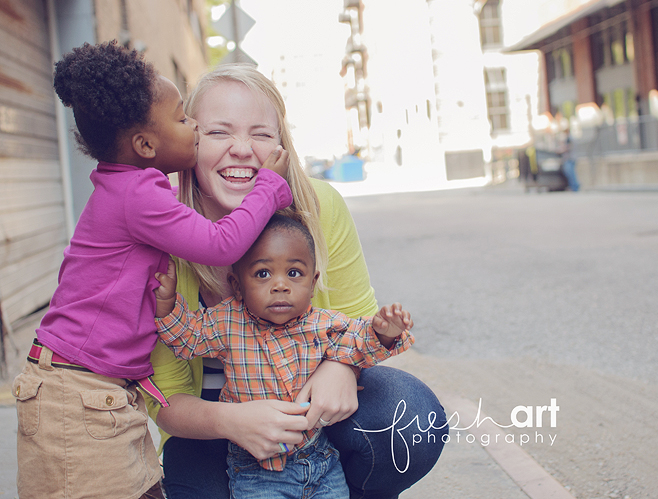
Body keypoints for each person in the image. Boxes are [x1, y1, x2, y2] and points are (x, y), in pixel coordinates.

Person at [146, 63, 448, 499]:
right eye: (218, 132)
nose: (243, 149)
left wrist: (340, 366)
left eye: (261, 134)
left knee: (412, 417)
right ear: (191, 141)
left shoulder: (321, 205)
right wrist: (234, 421)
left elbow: (358, 321)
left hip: (315, 428)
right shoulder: (162, 230)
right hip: (213, 428)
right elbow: (165, 396)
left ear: (282, 144)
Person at [12, 42, 292, 499]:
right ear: (146, 145)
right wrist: (267, 189)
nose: (195, 126)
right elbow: (221, 245)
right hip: (77, 391)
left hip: (96, 387)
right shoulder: (138, 196)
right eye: (183, 119)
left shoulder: (131, 187)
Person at [154, 215, 415, 498]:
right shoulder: (227, 322)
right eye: (263, 274)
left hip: (321, 460)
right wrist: (166, 305)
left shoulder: (323, 324)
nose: (280, 285)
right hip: (257, 469)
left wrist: (385, 332)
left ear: (312, 283)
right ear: (238, 285)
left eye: (294, 273)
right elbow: (187, 338)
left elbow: (360, 344)